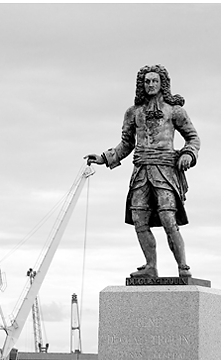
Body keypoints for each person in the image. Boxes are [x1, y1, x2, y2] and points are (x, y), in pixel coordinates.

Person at [85, 65, 200, 279]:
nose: (150, 85)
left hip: (165, 171)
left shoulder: (175, 111)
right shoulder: (133, 113)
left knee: (168, 219)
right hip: (141, 172)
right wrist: (104, 158)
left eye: (154, 81)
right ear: (141, 84)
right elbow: (126, 144)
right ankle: (150, 266)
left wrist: (188, 154)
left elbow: (193, 138)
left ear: (162, 83)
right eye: (147, 81)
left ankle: (183, 267)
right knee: (139, 219)